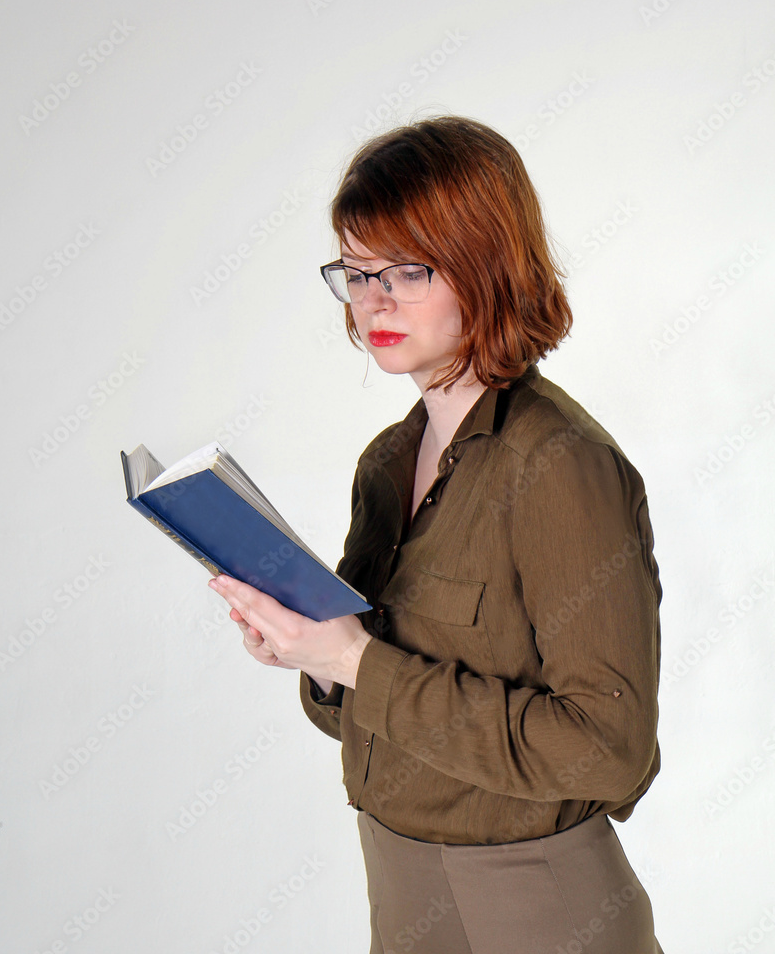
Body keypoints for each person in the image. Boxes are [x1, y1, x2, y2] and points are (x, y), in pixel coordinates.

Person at [208, 115, 665, 954]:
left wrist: (354, 661)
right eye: (356, 270)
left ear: (488, 265)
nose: (373, 300)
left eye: (408, 271)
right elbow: (373, 715)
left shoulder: (559, 467)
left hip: (539, 903)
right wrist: (314, 658)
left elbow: (608, 751)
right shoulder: (388, 461)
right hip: (399, 884)